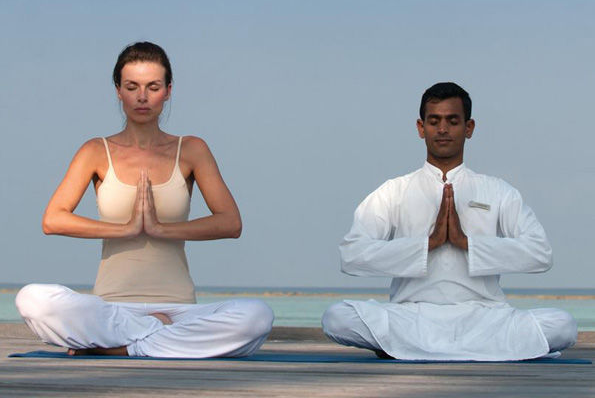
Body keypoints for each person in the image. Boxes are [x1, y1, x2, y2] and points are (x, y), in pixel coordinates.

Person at [16, 42, 273, 358]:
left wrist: (160, 229)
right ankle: (152, 337)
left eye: (152, 87)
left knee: (257, 316)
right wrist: (125, 229)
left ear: (167, 91)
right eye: (132, 87)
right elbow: (53, 219)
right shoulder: (95, 151)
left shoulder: (192, 149)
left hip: (177, 308)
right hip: (110, 309)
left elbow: (230, 222)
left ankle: (116, 348)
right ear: (118, 91)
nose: (142, 97)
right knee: (31, 298)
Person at [322, 82, 577, 361]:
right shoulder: (394, 191)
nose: (443, 129)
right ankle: (473, 351)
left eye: (452, 121)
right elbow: (352, 254)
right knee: (336, 318)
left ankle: (407, 350)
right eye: (434, 121)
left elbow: (540, 254)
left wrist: (466, 243)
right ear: (421, 128)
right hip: (412, 316)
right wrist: (426, 245)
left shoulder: (497, 191)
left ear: (469, 128)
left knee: (563, 326)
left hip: (484, 317)